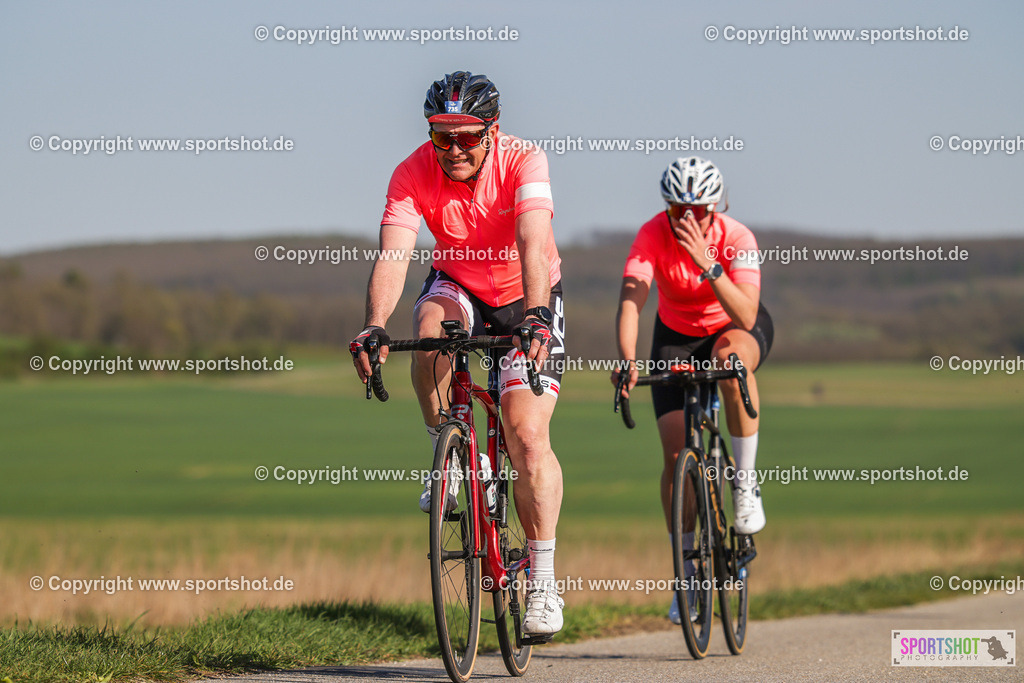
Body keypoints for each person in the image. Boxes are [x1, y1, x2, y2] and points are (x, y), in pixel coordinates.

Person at [350, 71, 566, 636]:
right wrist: (374, 326)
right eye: (441, 136)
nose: (453, 149)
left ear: (492, 130)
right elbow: (394, 255)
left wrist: (537, 314)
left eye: (467, 136)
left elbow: (532, 241)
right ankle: (446, 456)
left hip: (527, 294)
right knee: (428, 332)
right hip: (460, 284)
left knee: (526, 436)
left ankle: (543, 580)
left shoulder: (524, 160)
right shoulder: (411, 171)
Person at [612, 156, 773, 624]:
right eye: (677, 209)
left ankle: (744, 483)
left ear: (716, 207)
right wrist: (627, 358)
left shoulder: (737, 237)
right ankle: (686, 575)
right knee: (675, 455)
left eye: (698, 210)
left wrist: (708, 263)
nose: (687, 218)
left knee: (731, 364)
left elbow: (746, 314)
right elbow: (632, 301)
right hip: (676, 336)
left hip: (732, 328)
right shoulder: (651, 234)